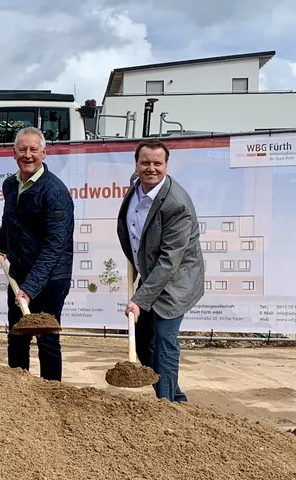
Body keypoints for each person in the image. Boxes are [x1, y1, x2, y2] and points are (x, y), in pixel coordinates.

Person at [117, 138, 205, 402]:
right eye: (145, 162)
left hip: (177, 280)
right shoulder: (136, 186)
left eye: (158, 163)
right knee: (144, 343)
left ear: (166, 165)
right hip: (153, 274)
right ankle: (174, 398)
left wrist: (139, 300)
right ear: (136, 164)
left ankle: (166, 407)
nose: (151, 168)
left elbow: (170, 260)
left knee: (164, 343)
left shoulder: (176, 205)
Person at [0, 126, 74, 382]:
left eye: (33, 150)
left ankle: (52, 395)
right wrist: (1, 246)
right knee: (17, 336)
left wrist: (30, 288)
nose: (28, 155)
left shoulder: (55, 192)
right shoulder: (10, 185)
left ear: (44, 154)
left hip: (50, 279)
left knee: (47, 340)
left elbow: (54, 247)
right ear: (13, 153)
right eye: (22, 149)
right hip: (19, 273)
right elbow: (10, 221)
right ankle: (20, 394)